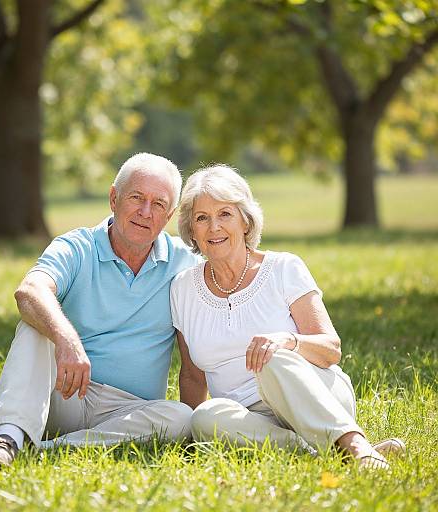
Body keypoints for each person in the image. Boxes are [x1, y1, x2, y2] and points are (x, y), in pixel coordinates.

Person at [170, 164, 405, 469]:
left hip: (317, 397)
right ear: (191, 230)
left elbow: (330, 348)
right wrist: (193, 442)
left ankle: (356, 446)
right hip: (250, 419)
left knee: (273, 356)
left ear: (245, 220)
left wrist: (289, 341)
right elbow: (191, 374)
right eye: (202, 218)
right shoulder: (183, 288)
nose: (214, 227)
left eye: (225, 214)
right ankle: (318, 452)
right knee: (204, 418)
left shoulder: (283, 268)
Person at [0, 153, 200, 466]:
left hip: (129, 410)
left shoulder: (184, 263)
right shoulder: (77, 246)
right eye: (136, 197)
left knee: (182, 418)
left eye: (158, 203)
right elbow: (29, 291)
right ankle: (8, 439)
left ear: (169, 214)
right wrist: (66, 338)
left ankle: (47, 450)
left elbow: (233, 279)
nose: (145, 212)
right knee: (34, 325)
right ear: (113, 198)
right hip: (64, 394)